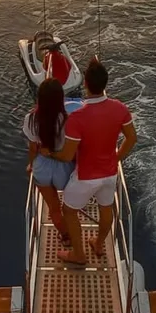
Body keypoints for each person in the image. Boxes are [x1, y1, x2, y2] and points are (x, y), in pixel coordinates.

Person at [45, 57, 137, 264]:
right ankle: (98, 243)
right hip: (110, 174)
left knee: (69, 211)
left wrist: (50, 153)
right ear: (105, 83)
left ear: (85, 83)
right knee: (106, 208)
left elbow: (67, 155)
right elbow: (132, 138)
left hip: (86, 176)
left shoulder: (77, 118)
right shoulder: (120, 108)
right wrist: (116, 158)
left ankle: (78, 255)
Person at [23, 78, 76, 244]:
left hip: (42, 167)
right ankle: (74, 231)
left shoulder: (31, 119)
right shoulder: (67, 120)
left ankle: (65, 236)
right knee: (70, 206)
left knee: (54, 208)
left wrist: (31, 164)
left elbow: (33, 148)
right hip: (64, 167)